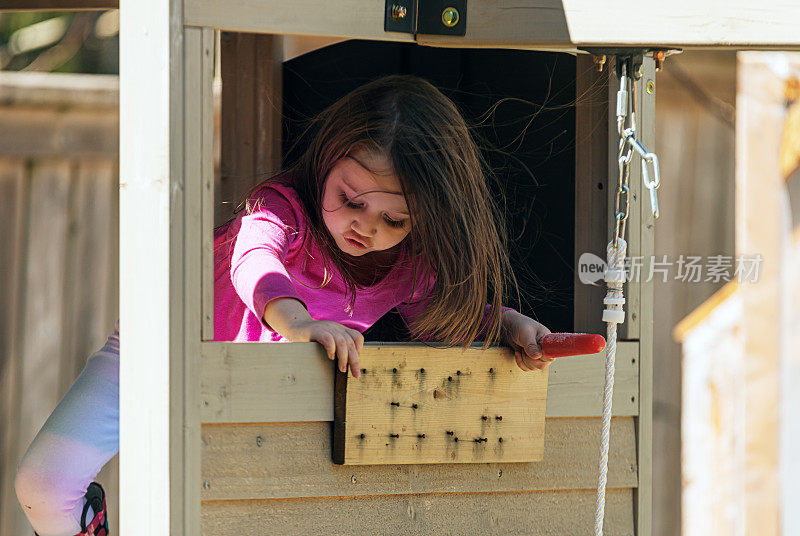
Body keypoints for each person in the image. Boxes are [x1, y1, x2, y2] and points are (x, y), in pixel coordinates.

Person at [15, 74, 552, 536]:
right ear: (329, 155)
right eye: (351, 199)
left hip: (252, 396)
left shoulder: (408, 266)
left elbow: (446, 316)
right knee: (42, 483)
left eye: (394, 220)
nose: (364, 226)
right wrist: (299, 321)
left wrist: (508, 323)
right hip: (159, 351)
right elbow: (255, 264)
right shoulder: (282, 209)